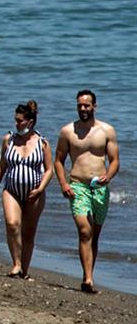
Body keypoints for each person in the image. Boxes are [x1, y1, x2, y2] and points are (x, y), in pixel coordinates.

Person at [55, 88, 120, 293]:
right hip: (77, 186)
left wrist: (108, 176)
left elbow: (115, 160)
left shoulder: (106, 131)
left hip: (100, 189)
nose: (82, 109)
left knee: (95, 235)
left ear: (94, 106)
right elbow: (58, 160)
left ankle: (88, 274)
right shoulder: (68, 131)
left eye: (86, 105)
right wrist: (64, 184)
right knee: (85, 231)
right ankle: (88, 280)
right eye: (79, 105)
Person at [0, 99, 54, 278]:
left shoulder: (43, 143)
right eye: (15, 120)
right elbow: (2, 165)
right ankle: (16, 263)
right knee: (12, 224)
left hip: (35, 194)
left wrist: (40, 189)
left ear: (30, 122)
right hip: (11, 190)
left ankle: (25, 269)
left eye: (20, 120)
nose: (16, 123)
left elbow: (50, 170)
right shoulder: (9, 140)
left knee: (29, 232)